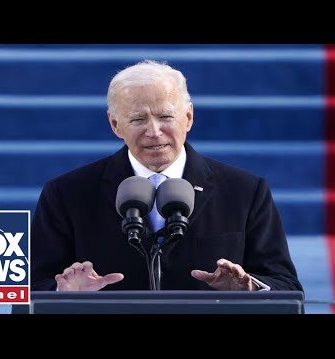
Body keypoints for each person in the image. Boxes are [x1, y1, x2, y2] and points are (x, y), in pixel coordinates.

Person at [31, 59, 303, 293]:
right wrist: (62, 292)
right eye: (138, 119)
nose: (154, 131)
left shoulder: (245, 191)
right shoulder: (66, 194)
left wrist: (249, 287)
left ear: (188, 117)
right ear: (115, 125)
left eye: (165, 116)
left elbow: (285, 284)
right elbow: (32, 287)